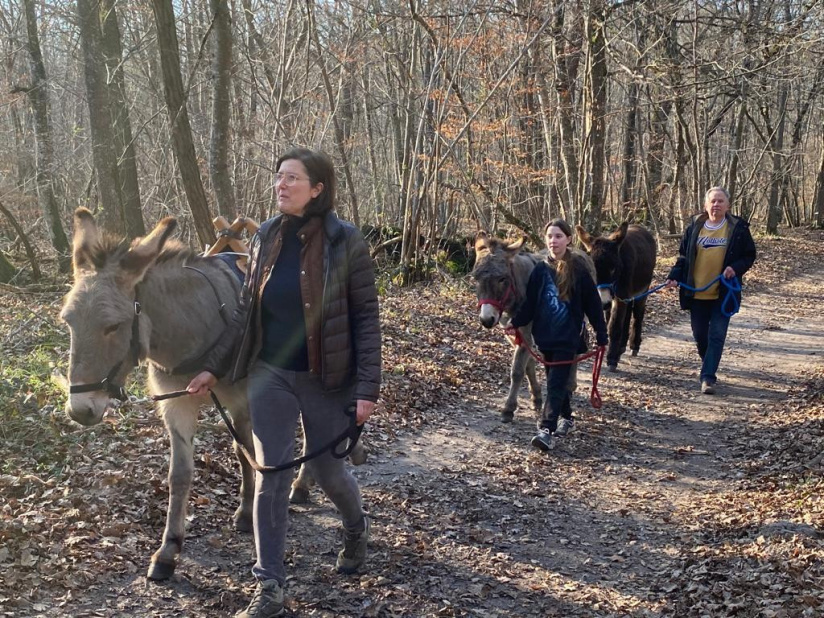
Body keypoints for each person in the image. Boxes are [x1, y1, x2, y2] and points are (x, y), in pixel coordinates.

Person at [186, 148, 381, 618]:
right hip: (269, 373)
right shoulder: (266, 237)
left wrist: (367, 388)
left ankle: (356, 528)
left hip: (327, 377)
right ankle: (269, 586)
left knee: (330, 473)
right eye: (278, 177)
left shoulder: (346, 241)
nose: (281, 185)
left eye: (292, 178)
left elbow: (366, 319)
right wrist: (214, 366)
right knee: (271, 474)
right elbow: (243, 315)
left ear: (317, 189)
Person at [508, 219, 608, 451]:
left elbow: (593, 304)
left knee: (554, 383)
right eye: (550, 236)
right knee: (556, 379)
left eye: (559, 236)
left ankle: (546, 429)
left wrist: (601, 334)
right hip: (545, 337)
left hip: (568, 336)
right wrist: (515, 322)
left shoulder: (579, 269)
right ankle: (567, 417)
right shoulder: (540, 270)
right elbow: (531, 303)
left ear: (569, 239)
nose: (553, 241)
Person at [665, 187, 756, 394]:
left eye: (720, 201)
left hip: (723, 293)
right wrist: (673, 276)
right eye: (713, 201)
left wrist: (736, 268)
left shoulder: (738, 228)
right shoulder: (695, 227)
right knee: (700, 336)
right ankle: (709, 363)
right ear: (706, 205)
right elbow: (683, 257)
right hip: (696, 293)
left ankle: (707, 377)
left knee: (716, 335)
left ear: (728, 205)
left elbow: (749, 255)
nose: (716, 205)